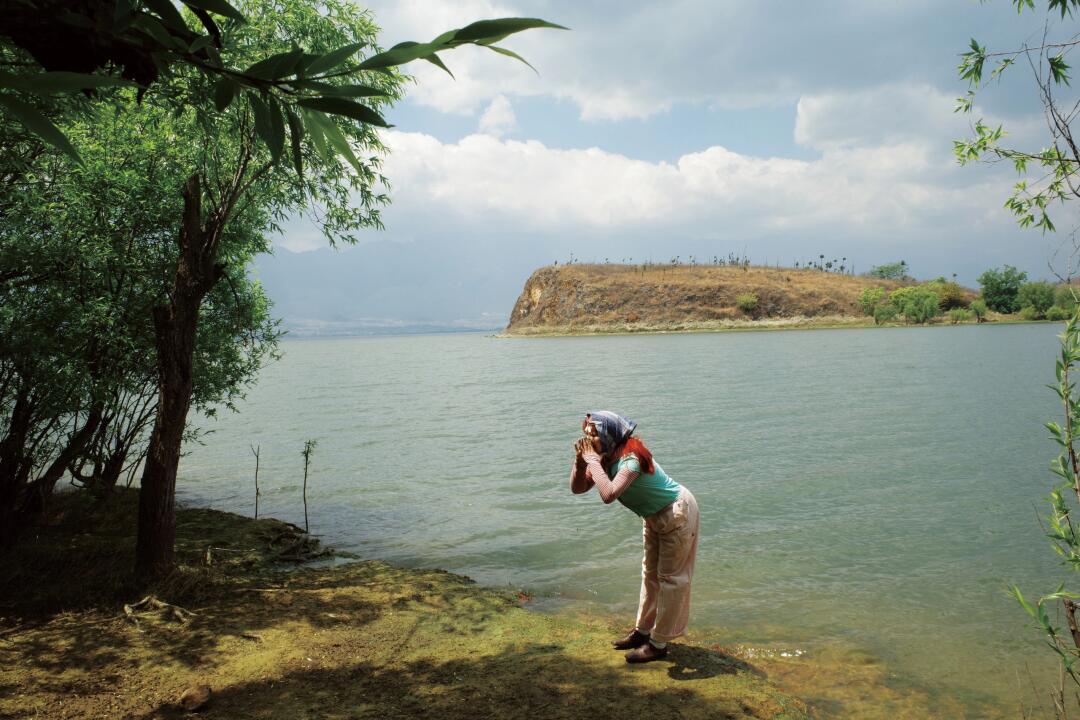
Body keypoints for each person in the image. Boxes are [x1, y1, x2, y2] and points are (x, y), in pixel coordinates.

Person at [570, 410, 700, 663]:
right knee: (650, 575)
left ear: (609, 436)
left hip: (677, 512)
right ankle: (642, 632)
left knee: (672, 580)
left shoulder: (631, 460)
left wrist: (592, 461)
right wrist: (581, 462)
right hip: (652, 516)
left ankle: (659, 644)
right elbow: (578, 488)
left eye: (593, 433)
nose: (587, 436)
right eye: (586, 432)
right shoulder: (605, 458)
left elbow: (609, 495)